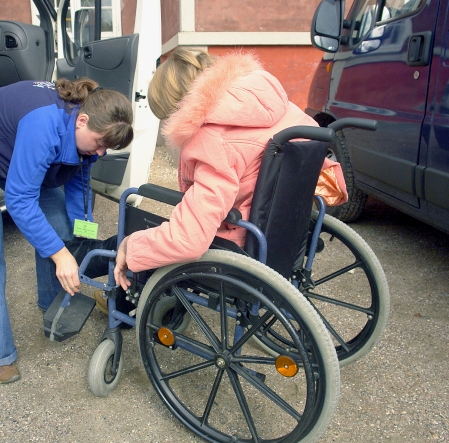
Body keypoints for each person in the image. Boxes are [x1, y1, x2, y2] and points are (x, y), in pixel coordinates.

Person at [0, 78, 133, 383]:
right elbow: (19, 200)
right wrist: (59, 254)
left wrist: (79, 238)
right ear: (81, 121)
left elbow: (79, 186)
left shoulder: (89, 130)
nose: (102, 153)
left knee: (58, 229)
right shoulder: (45, 124)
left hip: (16, 151)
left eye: (108, 147)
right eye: (101, 143)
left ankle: (54, 303)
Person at [113, 49, 346, 290]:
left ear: (175, 109)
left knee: (126, 236)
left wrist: (131, 247)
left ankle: (120, 294)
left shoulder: (210, 139)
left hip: (243, 243)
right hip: (286, 236)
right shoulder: (282, 108)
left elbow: (189, 239)